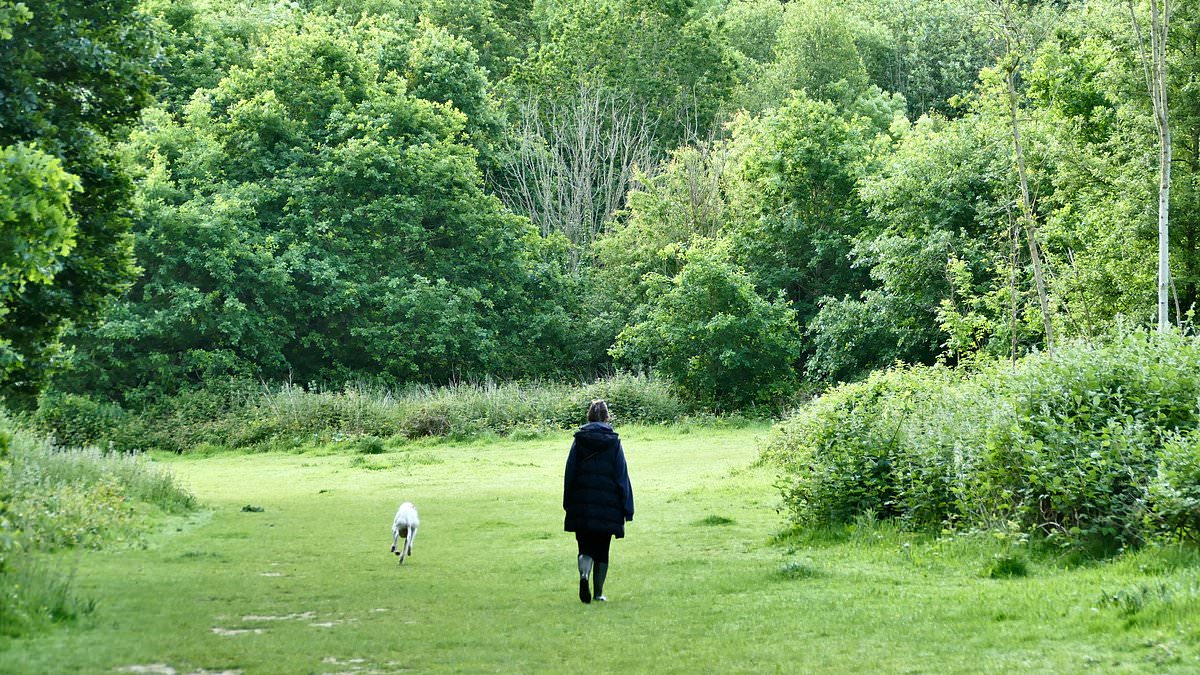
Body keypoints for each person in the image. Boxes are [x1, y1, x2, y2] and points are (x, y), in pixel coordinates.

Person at [563, 399, 634, 604]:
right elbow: (622, 476)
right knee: (602, 549)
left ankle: (583, 575)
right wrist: (627, 507)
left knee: (584, 546)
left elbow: (570, 473)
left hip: (582, 503)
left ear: (589, 416)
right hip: (608, 504)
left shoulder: (578, 441)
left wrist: (568, 502)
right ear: (607, 417)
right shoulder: (614, 442)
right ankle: (598, 592)